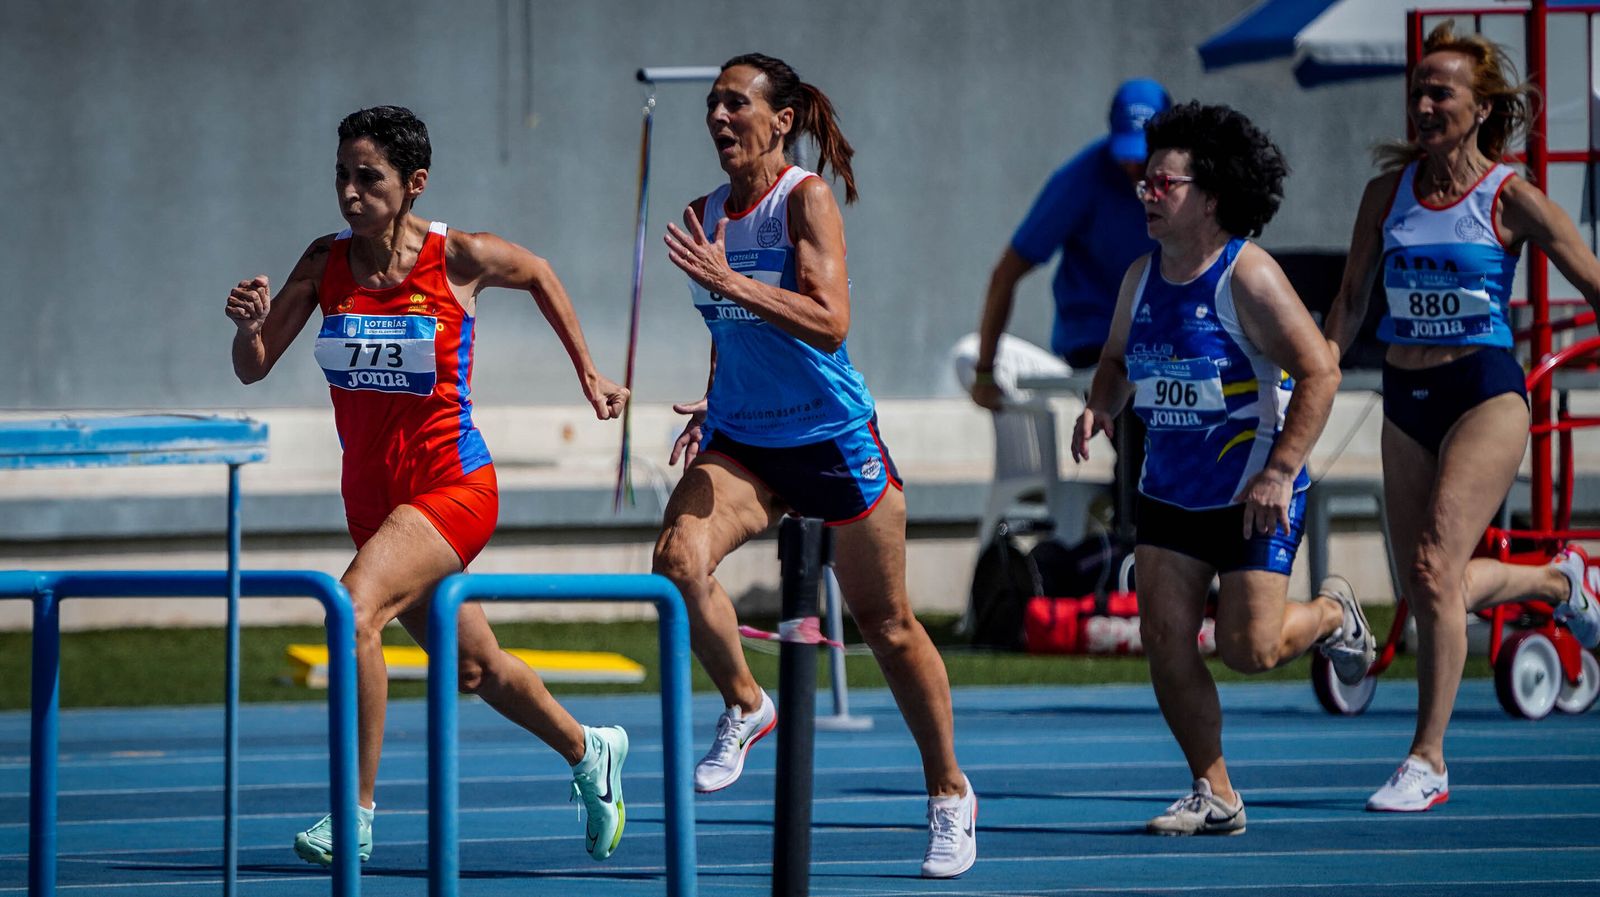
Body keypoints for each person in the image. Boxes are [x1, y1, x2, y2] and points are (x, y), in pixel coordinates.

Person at [225, 105, 633, 865]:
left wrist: (587, 370)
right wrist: (249, 327)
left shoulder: (459, 256)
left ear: (413, 185)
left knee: (351, 612)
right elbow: (254, 365)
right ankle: (590, 750)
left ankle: (357, 813)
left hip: (453, 486)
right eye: (341, 176)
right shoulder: (324, 261)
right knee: (475, 666)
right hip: (374, 502)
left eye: (368, 178)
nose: (350, 192)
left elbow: (540, 272)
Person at [654, 53, 976, 878]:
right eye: (712, 106)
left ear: (781, 119)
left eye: (736, 104)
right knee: (676, 562)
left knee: (891, 626)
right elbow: (731, 328)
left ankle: (948, 792)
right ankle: (745, 702)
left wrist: (733, 280)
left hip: (831, 437)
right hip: (744, 441)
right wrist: (713, 395)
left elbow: (829, 323)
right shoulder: (700, 213)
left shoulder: (805, 200)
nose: (719, 118)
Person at [1071, 101, 1376, 836]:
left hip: (1251, 491)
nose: (1147, 192)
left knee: (1250, 648)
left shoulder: (1250, 277)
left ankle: (1337, 615)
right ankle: (1215, 791)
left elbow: (1321, 372)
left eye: (1164, 184)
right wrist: (1102, 405)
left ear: (1209, 197)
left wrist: (1280, 470)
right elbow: (1114, 362)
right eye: (1145, 181)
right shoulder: (1139, 278)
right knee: (1167, 640)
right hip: (1170, 492)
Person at [1322, 22, 1600, 813]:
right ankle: (1558, 578)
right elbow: (1348, 305)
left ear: (1479, 108)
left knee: (1438, 570)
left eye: (1440, 91)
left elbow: (1592, 279)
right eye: (1417, 91)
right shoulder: (1388, 194)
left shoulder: (1511, 198)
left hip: (1484, 393)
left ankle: (1428, 759)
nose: (1423, 104)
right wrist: (1302, 381)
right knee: (1425, 581)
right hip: (1405, 400)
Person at [962, 78, 1171, 547]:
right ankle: (1132, 559)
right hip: (1099, 345)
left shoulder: (1188, 184)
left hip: (1172, 342)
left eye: (1147, 151)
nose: (1135, 164)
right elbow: (1006, 273)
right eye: (1127, 151)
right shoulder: (1081, 180)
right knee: (1143, 433)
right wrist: (983, 370)